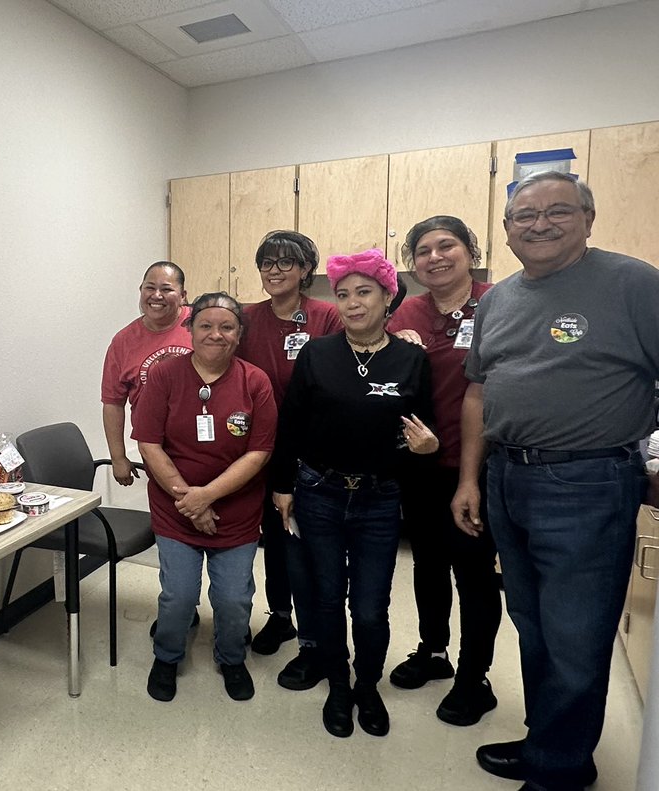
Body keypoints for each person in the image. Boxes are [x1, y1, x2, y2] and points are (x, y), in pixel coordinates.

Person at [452, 171, 659, 791]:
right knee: (535, 624)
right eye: (523, 215)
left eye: (557, 211)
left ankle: (558, 772)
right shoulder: (497, 299)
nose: (539, 224)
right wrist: (469, 479)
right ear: (508, 230)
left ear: (589, 219)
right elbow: (479, 391)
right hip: (507, 477)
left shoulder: (633, 283)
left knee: (576, 633)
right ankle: (554, 744)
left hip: (588, 482)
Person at [270, 249, 438, 738]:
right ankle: (338, 684)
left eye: (364, 292)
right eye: (342, 294)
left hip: (379, 501)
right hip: (318, 493)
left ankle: (368, 684)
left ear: (389, 296)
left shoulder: (411, 358)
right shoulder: (317, 354)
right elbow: (291, 426)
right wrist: (283, 485)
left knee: (369, 606)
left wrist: (427, 449)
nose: (351, 303)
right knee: (324, 598)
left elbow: (420, 432)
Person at [385, 216, 502, 725]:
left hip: (480, 464)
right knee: (428, 565)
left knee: (474, 573)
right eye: (423, 250)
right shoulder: (405, 311)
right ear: (412, 263)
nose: (435, 257)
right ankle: (433, 652)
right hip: (422, 467)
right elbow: (384, 380)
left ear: (469, 250)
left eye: (446, 245)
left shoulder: (500, 302)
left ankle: (474, 680)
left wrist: (470, 477)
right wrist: (397, 345)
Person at [132, 292, 277, 703]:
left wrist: (207, 498)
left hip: (237, 513)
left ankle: (231, 658)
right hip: (175, 510)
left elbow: (259, 452)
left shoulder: (255, 382)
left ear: (239, 334)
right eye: (206, 326)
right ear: (190, 330)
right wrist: (190, 502)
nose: (216, 334)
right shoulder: (164, 375)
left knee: (234, 599)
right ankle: (167, 656)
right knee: (178, 595)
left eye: (227, 327)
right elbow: (149, 445)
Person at [237, 230, 343, 690]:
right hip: (256, 451)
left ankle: (317, 638)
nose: (274, 270)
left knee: (305, 544)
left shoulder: (327, 316)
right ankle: (281, 617)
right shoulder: (245, 318)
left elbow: (346, 374)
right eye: (266, 262)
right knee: (272, 540)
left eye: (286, 262)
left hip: (311, 452)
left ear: (305, 271)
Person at [101, 261, 192, 487]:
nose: (157, 295)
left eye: (167, 289)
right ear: (141, 291)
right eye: (150, 288)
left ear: (183, 296)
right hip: (155, 448)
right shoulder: (123, 342)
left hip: (206, 443)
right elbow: (113, 403)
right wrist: (118, 457)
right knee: (172, 511)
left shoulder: (202, 324)